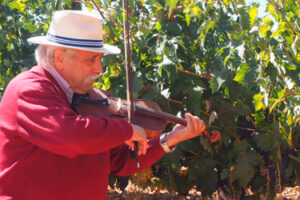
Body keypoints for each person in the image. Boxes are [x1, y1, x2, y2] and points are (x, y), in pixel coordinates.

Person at [0, 10, 206, 200]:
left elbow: (121, 161)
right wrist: (126, 129)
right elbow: (72, 136)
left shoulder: (89, 98)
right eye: (91, 60)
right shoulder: (29, 89)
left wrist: (170, 138)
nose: (99, 69)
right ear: (59, 58)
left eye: (99, 59)